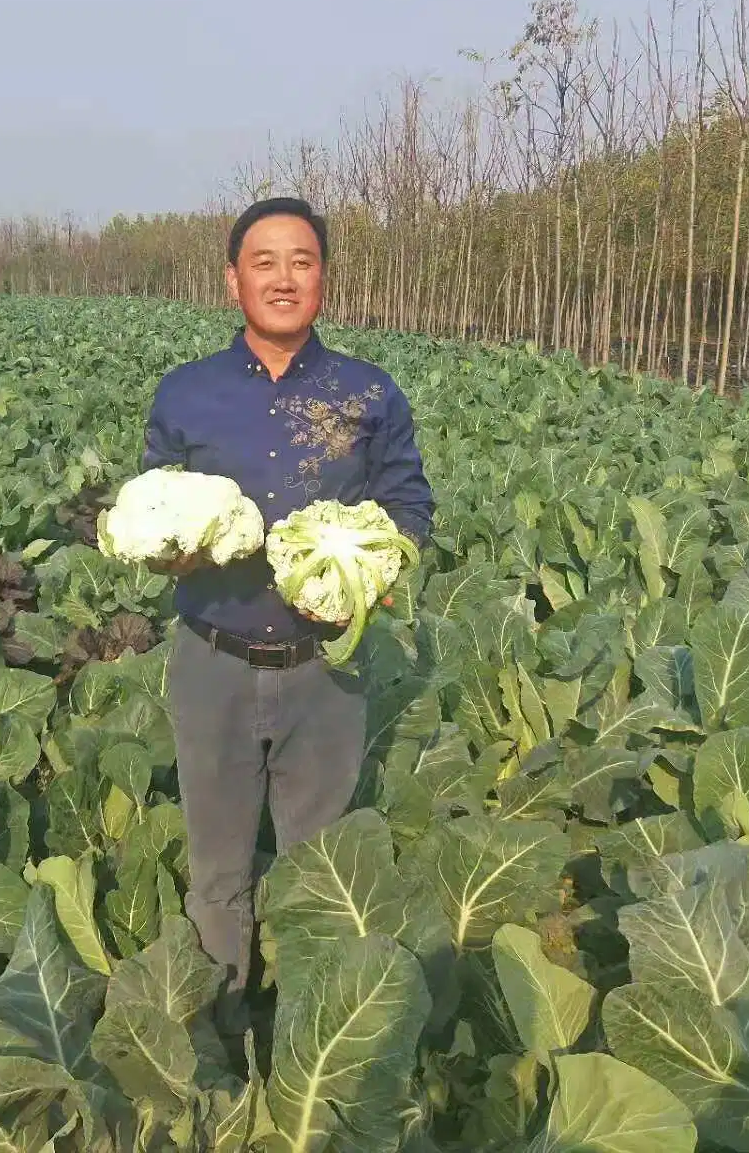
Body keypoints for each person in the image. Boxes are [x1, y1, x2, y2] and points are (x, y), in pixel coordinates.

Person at [141, 196, 434, 1010]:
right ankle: (218, 1033)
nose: (283, 278)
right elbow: (155, 500)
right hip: (212, 663)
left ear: (324, 279)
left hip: (325, 673)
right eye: (264, 262)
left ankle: (308, 1028)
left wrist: (369, 570)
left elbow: (409, 507)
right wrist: (177, 550)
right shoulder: (186, 393)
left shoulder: (368, 394)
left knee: (316, 870)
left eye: (301, 262)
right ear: (233, 278)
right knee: (218, 872)